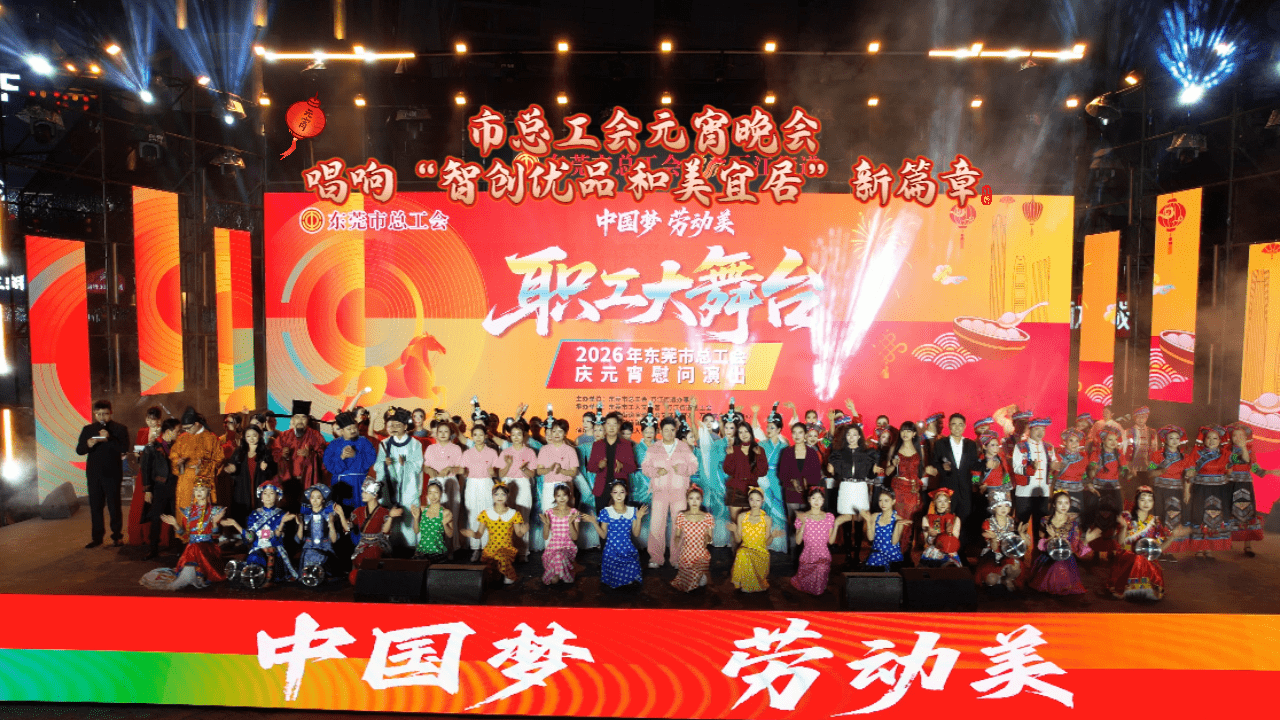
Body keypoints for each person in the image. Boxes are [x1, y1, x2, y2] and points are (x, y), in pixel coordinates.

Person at [1107, 486, 1189, 601]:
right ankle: (1127, 589)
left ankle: (1138, 590)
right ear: (1136, 500)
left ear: (1153, 503)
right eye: (1142, 499)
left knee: (1142, 559)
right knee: (1138, 559)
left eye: (1150, 500)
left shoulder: (1155, 522)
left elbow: (1159, 549)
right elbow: (1121, 543)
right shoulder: (1127, 517)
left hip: (1148, 560)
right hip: (1127, 558)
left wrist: (1172, 537)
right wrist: (1124, 526)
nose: (1146, 503)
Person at [143, 479, 227, 590]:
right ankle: (192, 576)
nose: (198, 492)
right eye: (196, 490)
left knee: (195, 547)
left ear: (208, 491)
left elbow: (216, 536)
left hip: (208, 548)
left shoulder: (215, 511)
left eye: (202, 490)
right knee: (193, 547)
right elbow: (185, 536)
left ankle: (197, 576)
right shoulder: (188, 511)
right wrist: (175, 524)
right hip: (192, 548)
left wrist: (215, 523)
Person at [642, 417, 697, 568]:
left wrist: (684, 469)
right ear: (660, 431)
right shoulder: (654, 448)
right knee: (656, 524)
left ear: (675, 430)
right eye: (666, 430)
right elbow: (645, 467)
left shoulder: (683, 447)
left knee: (678, 524)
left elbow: (694, 465)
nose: (669, 433)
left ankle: (677, 559)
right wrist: (656, 471)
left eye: (672, 430)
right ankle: (655, 558)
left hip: (679, 492)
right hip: (659, 492)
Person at [76, 399, 131, 548]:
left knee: (114, 506)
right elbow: (79, 450)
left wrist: (109, 438)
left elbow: (124, 449)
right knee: (95, 506)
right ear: (94, 414)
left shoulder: (120, 428)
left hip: (112, 473)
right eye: (99, 414)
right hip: (94, 474)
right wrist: (89, 444)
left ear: (111, 413)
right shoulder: (88, 429)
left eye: (105, 414)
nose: (102, 417)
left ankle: (117, 537)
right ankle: (97, 538)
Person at [222, 481, 297, 588]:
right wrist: (235, 524)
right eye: (265, 493)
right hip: (258, 548)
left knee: (271, 556)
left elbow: (277, 537)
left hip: (274, 549)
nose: (268, 496)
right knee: (255, 557)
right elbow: (250, 538)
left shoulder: (281, 514)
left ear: (277, 496)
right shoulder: (254, 514)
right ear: (261, 496)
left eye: (271, 493)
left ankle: (266, 579)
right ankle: (253, 576)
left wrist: (282, 523)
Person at [1027, 491, 1101, 595]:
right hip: (1048, 556)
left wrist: (1086, 540)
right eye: (1060, 503)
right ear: (1054, 504)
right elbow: (1041, 546)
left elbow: (1074, 548)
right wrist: (1051, 537)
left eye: (1066, 503)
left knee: (1059, 566)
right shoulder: (1045, 520)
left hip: (1065, 558)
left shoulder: (1073, 524)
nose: (1063, 506)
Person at [828, 423, 877, 568]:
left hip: (860, 487)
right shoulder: (839, 453)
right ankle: (848, 555)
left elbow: (871, 474)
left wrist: (875, 470)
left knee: (860, 521)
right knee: (847, 523)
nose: (851, 437)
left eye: (854, 434)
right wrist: (831, 470)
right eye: (848, 435)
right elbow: (835, 473)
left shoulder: (867, 453)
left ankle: (857, 555)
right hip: (846, 486)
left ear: (859, 436)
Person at [375, 407, 424, 550]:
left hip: (409, 487)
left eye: (397, 425)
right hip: (390, 487)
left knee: (409, 516)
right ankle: (391, 548)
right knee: (392, 517)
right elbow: (377, 466)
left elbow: (418, 465)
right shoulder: (384, 444)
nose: (394, 428)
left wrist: (406, 464)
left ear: (405, 426)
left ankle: (410, 548)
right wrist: (384, 464)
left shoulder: (415, 444)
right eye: (392, 425)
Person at [461, 481, 528, 585]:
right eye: (496, 494)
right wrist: (472, 534)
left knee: (502, 560)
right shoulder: (486, 513)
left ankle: (508, 574)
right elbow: (479, 534)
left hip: (506, 549)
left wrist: (523, 532)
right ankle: (498, 574)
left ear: (508, 495)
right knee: (490, 577)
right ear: (492, 496)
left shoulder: (514, 514)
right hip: (491, 549)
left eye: (503, 494)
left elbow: (518, 534)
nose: (499, 497)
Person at [1226, 423, 1278, 556]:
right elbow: (1231, 464)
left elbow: (1254, 468)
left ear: (1246, 437)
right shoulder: (1227, 452)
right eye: (1235, 435)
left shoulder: (1250, 452)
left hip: (1245, 486)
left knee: (1247, 514)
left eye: (1241, 435)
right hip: (1231, 484)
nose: (1238, 438)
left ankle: (1247, 545)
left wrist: (1271, 471)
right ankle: (1228, 540)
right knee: (1230, 512)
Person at [583, 481, 646, 589]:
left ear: (626, 493)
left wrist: (639, 518)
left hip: (627, 549)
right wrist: (594, 522)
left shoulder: (633, 511)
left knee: (632, 576)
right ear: (611, 494)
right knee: (616, 581)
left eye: (622, 492)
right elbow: (603, 535)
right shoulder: (606, 511)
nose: (619, 495)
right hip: (612, 551)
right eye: (615, 492)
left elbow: (636, 534)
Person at [929, 413, 980, 547]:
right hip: (946, 488)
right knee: (945, 519)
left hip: (965, 489)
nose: (957, 427)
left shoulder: (970, 444)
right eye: (954, 424)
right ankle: (944, 548)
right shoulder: (940, 443)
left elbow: (974, 464)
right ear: (949, 426)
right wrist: (942, 467)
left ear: (964, 426)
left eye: (960, 424)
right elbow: (935, 462)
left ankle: (960, 551)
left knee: (964, 521)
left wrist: (987, 462)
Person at [777, 421, 824, 563]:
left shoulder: (812, 453)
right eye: (794, 433)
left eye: (800, 432)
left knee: (807, 526)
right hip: (791, 493)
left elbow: (816, 475)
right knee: (794, 524)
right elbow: (782, 474)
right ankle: (793, 558)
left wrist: (806, 481)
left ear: (805, 435)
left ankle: (807, 556)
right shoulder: (787, 452)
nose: (797, 436)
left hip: (807, 495)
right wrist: (792, 481)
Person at [1147, 425, 1194, 560]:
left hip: (1176, 492)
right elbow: (1150, 473)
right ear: (1165, 440)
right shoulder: (1157, 455)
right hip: (1159, 491)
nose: (1174, 441)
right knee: (1158, 518)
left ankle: (1168, 550)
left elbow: (1189, 475)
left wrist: (1187, 491)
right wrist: (1159, 471)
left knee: (1172, 519)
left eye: (1177, 438)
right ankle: (1156, 549)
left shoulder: (1185, 457)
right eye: (1171, 438)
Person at [790, 487, 848, 596]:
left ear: (823, 500)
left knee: (818, 587)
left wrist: (836, 525)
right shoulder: (802, 517)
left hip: (823, 556)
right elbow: (798, 541)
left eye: (820, 498)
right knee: (808, 588)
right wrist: (803, 523)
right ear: (809, 500)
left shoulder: (829, 517)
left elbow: (831, 541)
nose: (817, 501)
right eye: (814, 498)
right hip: (808, 556)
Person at [885, 421, 932, 554]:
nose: (905, 433)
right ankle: (894, 552)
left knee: (910, 521)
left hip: (913, 490)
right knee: (897, 520)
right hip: (898, 489)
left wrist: (929, 472)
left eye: (908, 431)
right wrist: (893, 465)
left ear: (914, 434)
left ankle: (906, 554)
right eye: (903, 430)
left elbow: (922, 472)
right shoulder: (895, 448)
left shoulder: (920, 449)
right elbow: (887, 472)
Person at [1186, 425, 1232, 560]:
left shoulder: (1226, 454)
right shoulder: (1196, 453)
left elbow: (1236, 466)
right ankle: (1199, 548)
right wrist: (1187, 489)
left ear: (1220, 440)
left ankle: (1209, 548)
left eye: (1215, 438)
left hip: (1219, 491)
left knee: (1214, 518)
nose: (1211, 441)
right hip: (1201, 490)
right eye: (1208, 438)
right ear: (1204, 440)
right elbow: (1190, 471)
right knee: (1200, 517)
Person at [536, 416, 580, 556]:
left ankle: (566, 551)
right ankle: (550, 551)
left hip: (565, 487)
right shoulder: (544, 449)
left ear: (565, 433)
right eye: (554, 431)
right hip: (549, 486)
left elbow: (573, 472)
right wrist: (549, 469)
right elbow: (539, 471)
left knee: (566, 518)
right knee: (548, 517)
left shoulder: (570, 450)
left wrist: (561, 471)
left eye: (560, 431)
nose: (556, 434)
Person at [139, 418, 180, 559]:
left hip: (175, 486)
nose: (178, 433)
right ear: (168, 431)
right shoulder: (152, 447)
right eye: (177, 431)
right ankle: (153, 548)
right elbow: (145, 469)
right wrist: (147, 490)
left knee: (176, 516)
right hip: (159, 487)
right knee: (156, 518)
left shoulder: (177, 445)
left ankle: (178, 547)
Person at [349, 478, 403, 585]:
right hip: (363, 544)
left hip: (379, 543)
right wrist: (341, 515)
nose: (362, 494)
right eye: (362, 491)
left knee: (373, 554)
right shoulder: (358, 511)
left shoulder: (384, 512)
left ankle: (373, 580)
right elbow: (348, 527)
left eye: (365, 492)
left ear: (375, 495)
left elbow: (385, 532)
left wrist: (391, 517)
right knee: (357, 559)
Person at [498, 422, 538, 562]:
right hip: (508, 484)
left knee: (523, 517)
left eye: (519, 434)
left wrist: (524, 469)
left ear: (524, 435)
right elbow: (500, 473)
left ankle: (523, 551)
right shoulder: (505, 452)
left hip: (523, 484)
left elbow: (532, 474)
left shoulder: (530, 452)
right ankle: (508, 550)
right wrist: (508, 465)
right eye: (513, 434)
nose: (516, 437)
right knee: (507, 517)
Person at [223, 425, 277, 530]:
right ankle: (243, 534)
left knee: (260, 515)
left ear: (259, 436)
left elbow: (273, 471)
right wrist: (231, 469)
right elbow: (232, 466)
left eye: (254, 435)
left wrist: (266, 468)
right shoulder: (239, 451)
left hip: (259, 487)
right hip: (242, 488)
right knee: (242, 515)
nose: (251, 438)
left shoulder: (266, 451)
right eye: (248, 436)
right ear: (244, 437)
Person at [170, 407, 222, 514]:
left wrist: (203, 465)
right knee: (184, 511)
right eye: (184, 429)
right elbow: (173, 455)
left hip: (203, 481)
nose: (186, 431)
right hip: (185, 480)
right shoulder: (182, 438)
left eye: (188, 428)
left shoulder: (211, 438)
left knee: (202, 512)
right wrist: (178, 462)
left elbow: (219, 459)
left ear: (197, 424)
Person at [273, 401, 327, 503]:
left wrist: (311, 455)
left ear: (308, 419)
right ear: (293, 419)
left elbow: (324, 456)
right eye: (297, 417)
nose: (300, 421)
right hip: (288, 482)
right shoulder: (283, 436)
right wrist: (282, 454)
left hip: (309, 481)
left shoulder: (316, 436)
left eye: (303, 417)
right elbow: (274, 454)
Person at [462, 422, 502, 561]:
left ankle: (486, 548)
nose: (478, 437)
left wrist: (493, 472)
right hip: (472, 484)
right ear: (472, 436)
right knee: (473, 514)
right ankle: (475, 548)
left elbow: (496, 471)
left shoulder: (492, 452)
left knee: (487, 514)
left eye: (481, 434)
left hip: (486, 483)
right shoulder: (467, 453)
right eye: (475, 435)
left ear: (485, 436)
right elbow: (464, 471)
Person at [975, 490, 1029, 591]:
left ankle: (1008, 579)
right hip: (993, 554)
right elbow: (994, 548)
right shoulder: (988, 523)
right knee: (991, 580)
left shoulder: (1013, 522)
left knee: (1014, 568)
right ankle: (1002, 580)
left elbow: (1025, 544)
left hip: (1009, 554)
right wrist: (994, 538)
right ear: (993, 508)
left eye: (1006, 505)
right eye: (999, 506)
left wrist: (1022, 534)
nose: (1003, 509)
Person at [728, 487, 779, 592]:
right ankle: (747, 583)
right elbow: (738, 540)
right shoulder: (742, 517)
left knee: (744, 553)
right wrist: (735, 530)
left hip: (761, 552)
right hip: (745, 550)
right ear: (748, 500)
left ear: (762, 501)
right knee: (742, 552)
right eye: (752, 499)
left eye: (757, 500)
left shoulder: (767, 519)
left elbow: (767, 543)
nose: (754, 503)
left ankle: (752, 584)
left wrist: (772, 536)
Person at [127, 406, 165, 545]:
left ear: (159, 420)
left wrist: (154, 443)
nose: (150, 422)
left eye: (153, 419)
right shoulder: (142, 431)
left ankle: (159, 536)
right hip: (144, 471)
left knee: (157, 502)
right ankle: (140, 535)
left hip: (159, 472)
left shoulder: (164, 432)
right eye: (148, 419)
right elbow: (138, 450)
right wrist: (137, 454)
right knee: (140, 502)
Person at [587, 412, 638, 513]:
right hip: (602, 489)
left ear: (618, 426)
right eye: (608, 424)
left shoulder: (626, 445)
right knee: (602, 519)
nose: (611, 427)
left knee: (620, 519)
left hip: (620, 490)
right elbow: (590, 467)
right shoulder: (597, 445)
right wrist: (599, 466)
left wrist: (622, 466)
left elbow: (633, 467)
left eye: (614, 424)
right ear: (604, 426)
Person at [1011, 417, 1056, 528]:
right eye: (1037, 429)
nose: (1040, 432)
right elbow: (1016, 468)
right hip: (1024, 492)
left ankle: (1038, 540)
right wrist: (1031, 468)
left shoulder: (1049, 447)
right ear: (1030, 430)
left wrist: (1055, 466)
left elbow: (1054, 463)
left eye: (1043, 429)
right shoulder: (1020, 446)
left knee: (1041, 526)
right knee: (1021, 525)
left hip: (1043, 492)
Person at [723, 421, 768, 527]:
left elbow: (762, 472)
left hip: (751, 492)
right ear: (737, 435)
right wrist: (730, 455)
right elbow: (728, 470)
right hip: (735, 491)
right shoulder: (734, 449)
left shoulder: (759, 449)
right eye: (740, 432)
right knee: (735, 526)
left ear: (751, 432)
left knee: (750, 526)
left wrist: (759, 456)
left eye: (746, 431)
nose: (744, 434)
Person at [671, 484, 715, 592]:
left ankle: (702, 575)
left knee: (696, 580)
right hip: (687, 554)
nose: (694, 501)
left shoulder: (708, 517)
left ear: (701, 500)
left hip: (701, 554)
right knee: (688, 584)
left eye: (697, 498)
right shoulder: (681, 516)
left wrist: (707, 539)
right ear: (687, 500)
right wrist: (676, 539)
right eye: (691, 498)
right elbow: (677, 535)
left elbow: (710, 538)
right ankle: (696, 577)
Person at [298, 484, 345, 581]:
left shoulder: (329, 515)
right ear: (309, 499)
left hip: (325, 548)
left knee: (326, 574)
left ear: (323, 499)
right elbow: (299, 539)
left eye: (318, 498)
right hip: (309, 549)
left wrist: (331, 523)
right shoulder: (305, 516)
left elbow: (334, 540)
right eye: (312, 497)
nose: (315, 500)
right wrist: (301, 525)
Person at [861, 487, 909, 571]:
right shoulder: (875, 516)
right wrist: (868, 521)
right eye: (880, 500)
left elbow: (894, 542)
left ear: (893, 501)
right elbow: (870, 538)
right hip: (876, 555)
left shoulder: (898, 519)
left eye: (886, 501)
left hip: (892, 556)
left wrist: (897, 524)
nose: (883, 504)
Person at [540, 482, 580, 585]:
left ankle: (563, 574)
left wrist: (570, 523)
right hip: (553, 548)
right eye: (558, 495)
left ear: (569, 495)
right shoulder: (549, 512)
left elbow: (575, 537)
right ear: (554, 497)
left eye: (564, 495)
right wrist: (546, 524)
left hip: (568, 547)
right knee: (554, 578)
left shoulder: (574, 512)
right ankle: (563, 573)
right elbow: (545, 536)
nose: (562, 498)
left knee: (559, 555)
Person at [411, 480, 453, 563]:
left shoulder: (445, 512)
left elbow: (450, 535)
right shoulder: (422, 510)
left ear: (441, 493)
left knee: (425, 563)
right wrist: (416, 518)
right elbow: (416, 531)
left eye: (436, 492)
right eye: (430, 493)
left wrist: (445, 524)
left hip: (437, 552)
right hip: (421, 551)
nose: (433, 496)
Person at [920, 487, 963, 568]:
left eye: (945, 501)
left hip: (949, 551)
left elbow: (954, 541)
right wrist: (932, 535)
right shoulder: (927, 518)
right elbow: (927, 541)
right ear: (934, 502)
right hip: (933, 552)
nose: (943, 504)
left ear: (949, 502)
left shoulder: (955, 519)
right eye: (939, 501)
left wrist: (948, 533)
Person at [1050, 429, 1090, 517]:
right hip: (1061, 491)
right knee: (1060, 517)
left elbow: (1084, 475)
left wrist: (1089, 485)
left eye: (1077, 441)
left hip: (1078, 492)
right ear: (1065, 442)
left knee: (1075, 518)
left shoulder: (1083, 458)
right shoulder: (1058, 457)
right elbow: (1051, 475)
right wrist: (1049, 487)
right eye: (1071, 441)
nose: (1074, 444)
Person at [975, 433, 1012, 508]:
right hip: (985, 494)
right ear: (984, 447)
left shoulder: (1001, 459)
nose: (996, 448)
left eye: (997, 445)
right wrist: (979, 485)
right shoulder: (979, 461)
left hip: (1000, 493)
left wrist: (1008, 493)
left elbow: (1006, 476)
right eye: (992, 445)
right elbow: (975, 478)